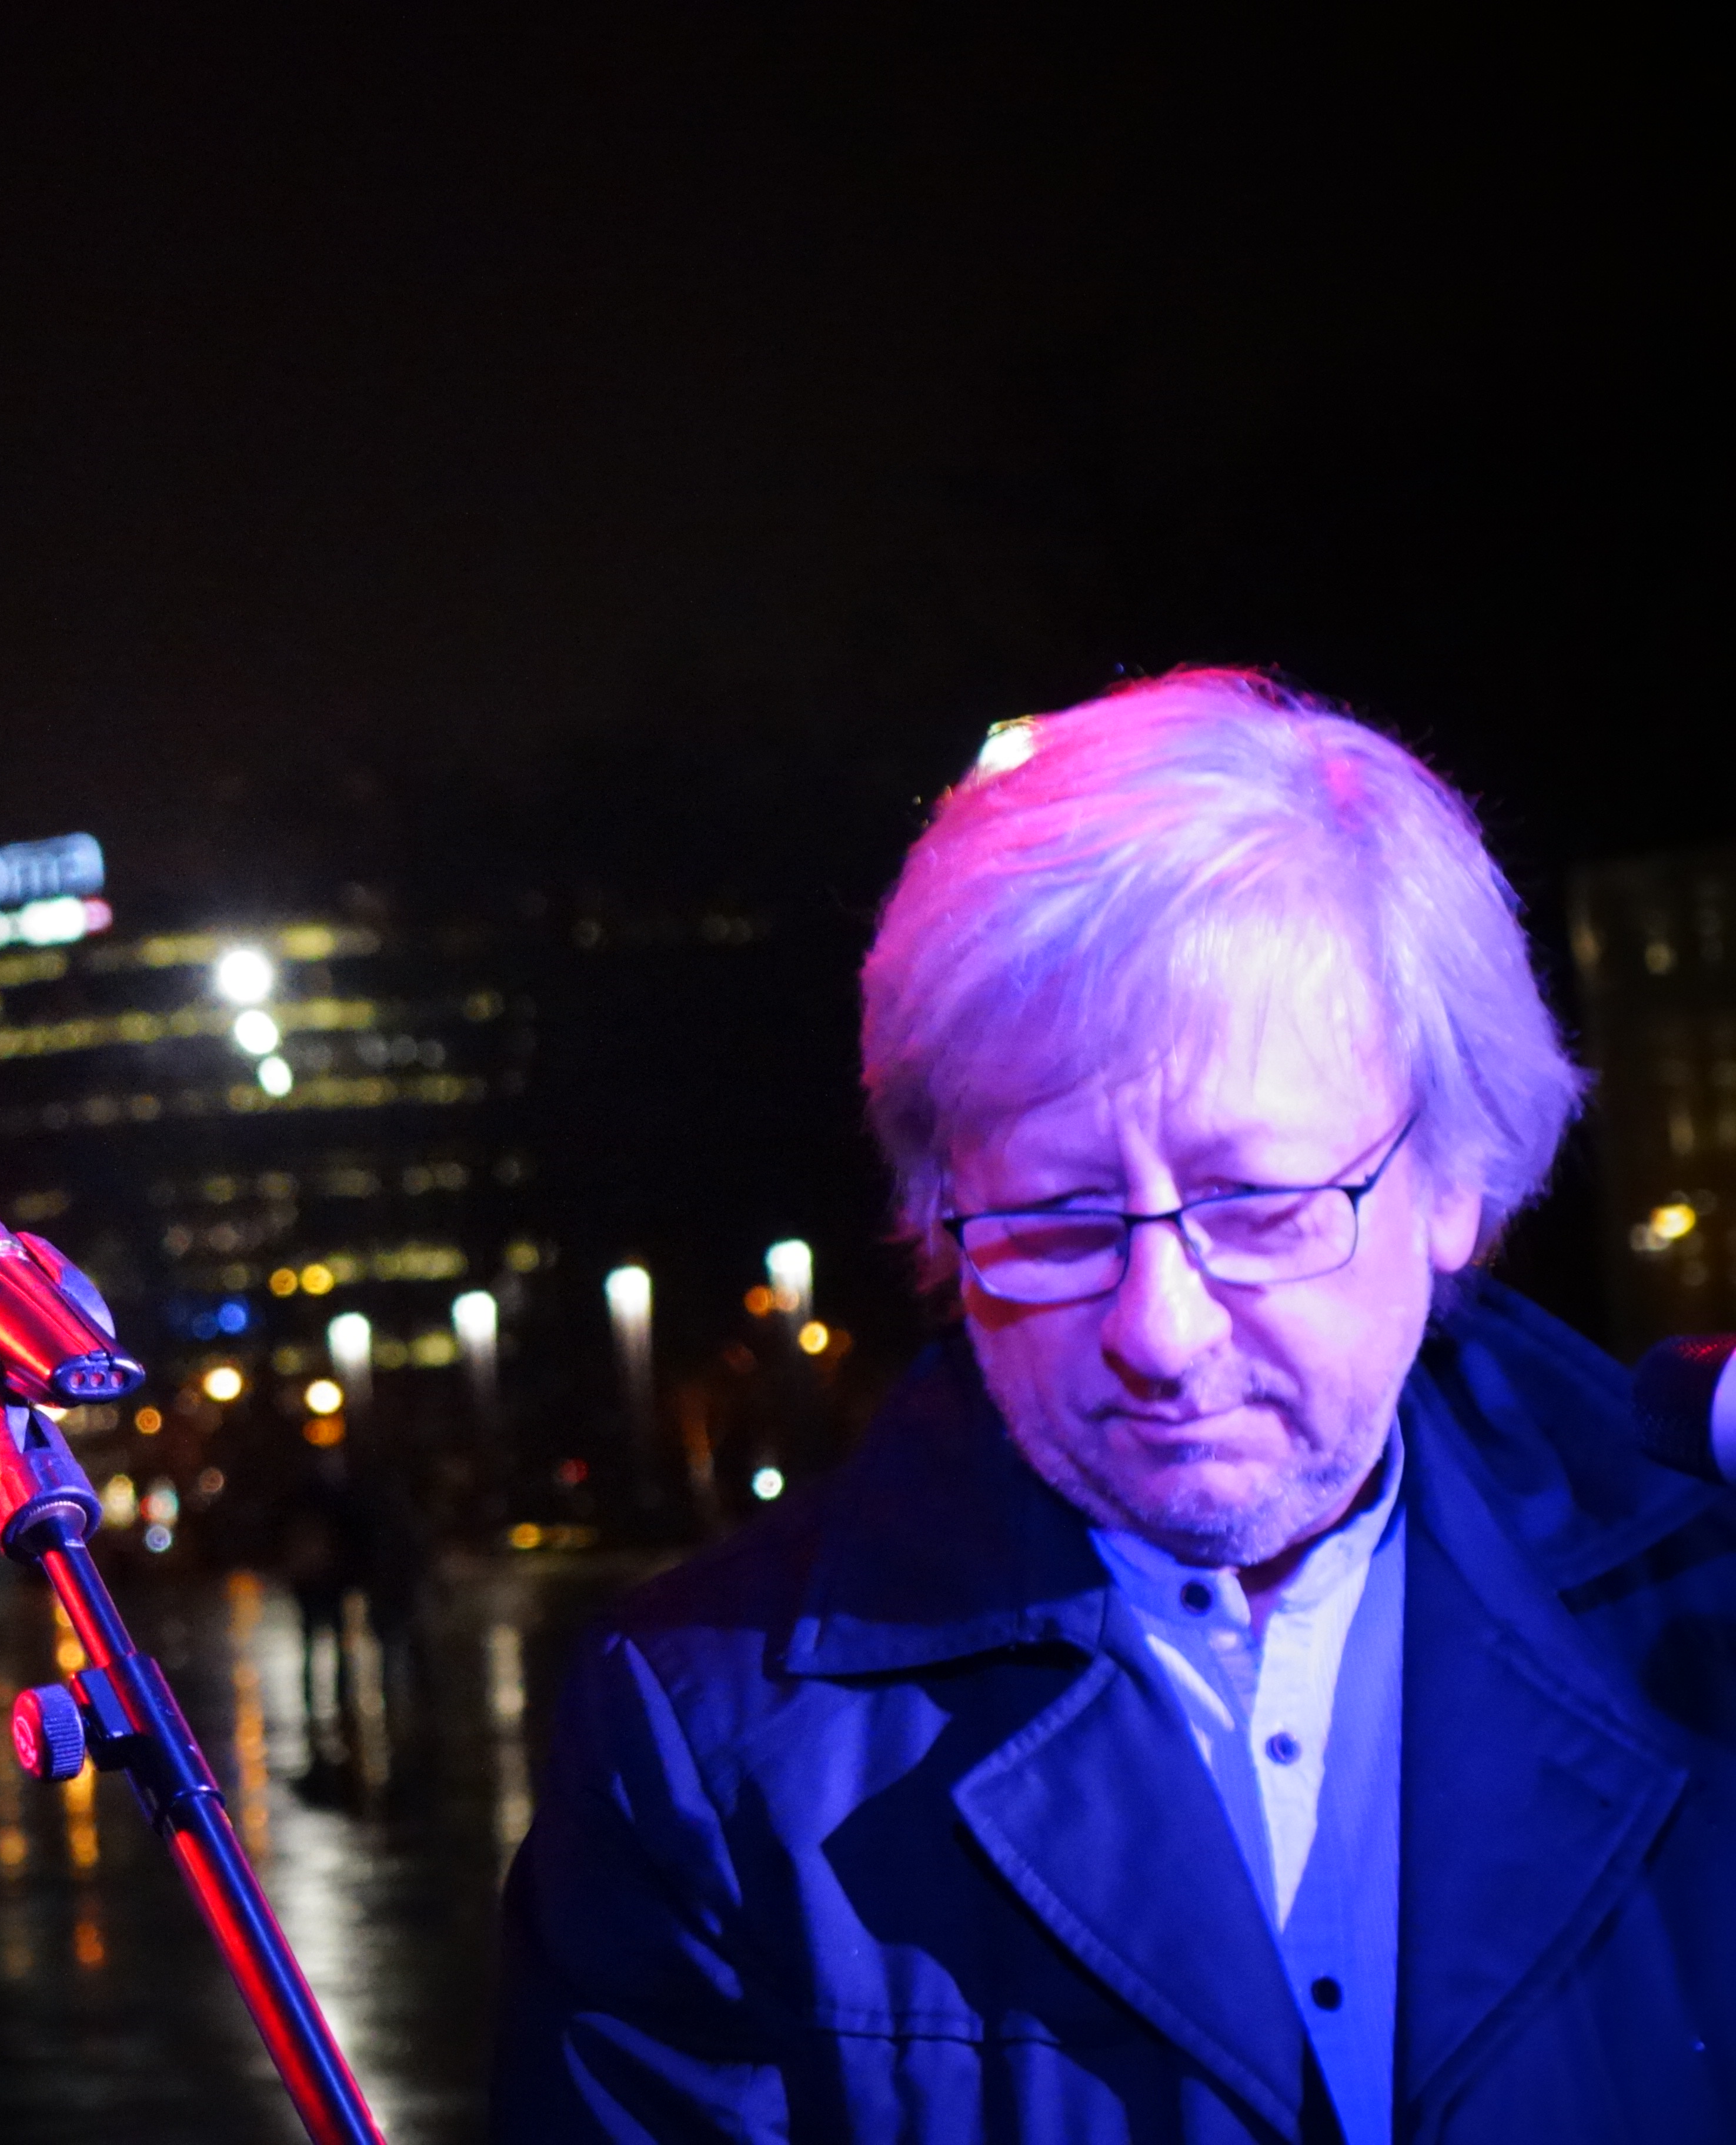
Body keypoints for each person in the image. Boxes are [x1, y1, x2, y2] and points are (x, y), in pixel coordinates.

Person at [496, 671, 1732, 2141]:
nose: (1158, 1330)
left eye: (1261, 1206)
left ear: (1455, 1178)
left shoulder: (1708, 1607)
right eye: (1059, 1221)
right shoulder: (700, 1745)